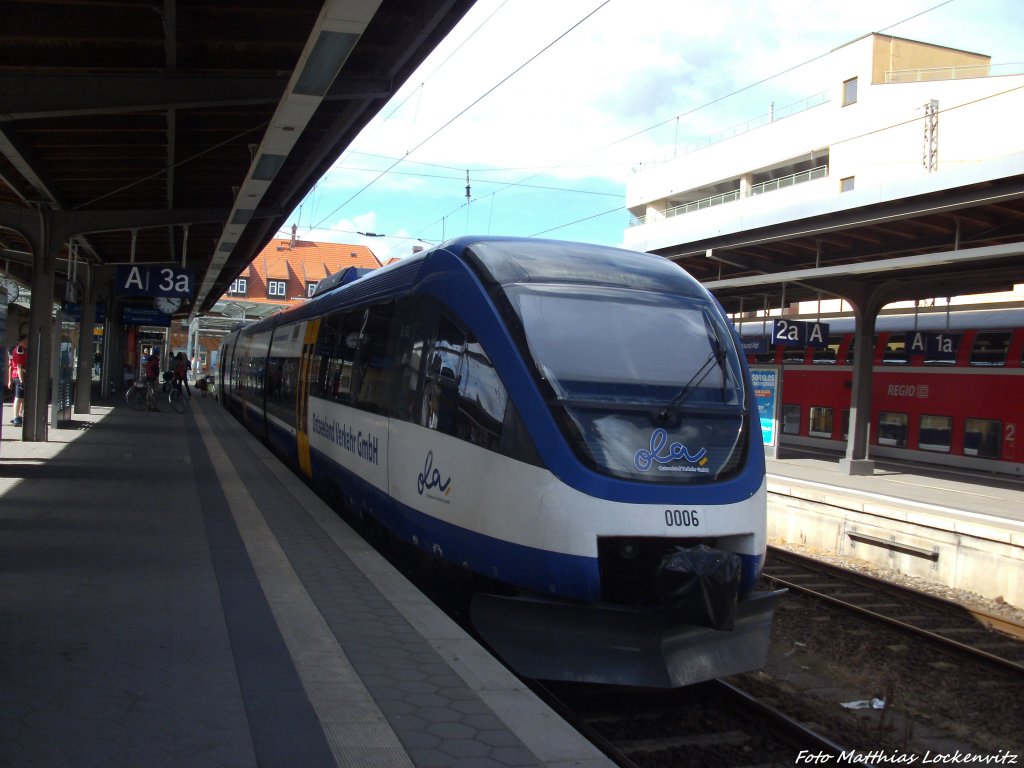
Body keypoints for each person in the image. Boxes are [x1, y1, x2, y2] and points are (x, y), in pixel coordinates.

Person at [7, 334, 27, 426]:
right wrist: (22, 381)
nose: (28, 342)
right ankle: (16, 417)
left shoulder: (22, 350)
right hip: (19, 377)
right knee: (18, 398)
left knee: (22, 398)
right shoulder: (20, 350)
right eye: (26, 340)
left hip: (20, 376)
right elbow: (18, 367)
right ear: (22, 341)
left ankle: (19, 415)